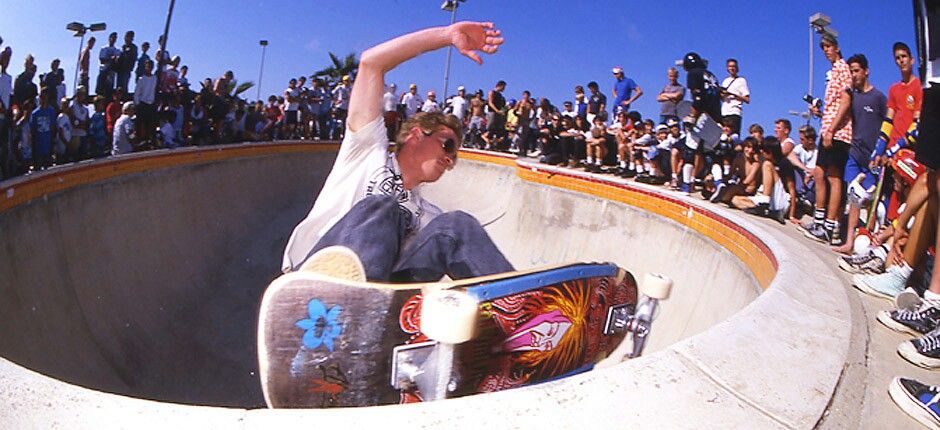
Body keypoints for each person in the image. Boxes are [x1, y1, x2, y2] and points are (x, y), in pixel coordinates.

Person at [281, 21, 510, 283]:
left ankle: (524, 311)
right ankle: (348, 298)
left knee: (456, 227)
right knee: (382, 206)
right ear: (416, 134)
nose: (449, 159)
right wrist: (446, 35)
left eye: (454, 156)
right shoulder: (367, 150)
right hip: (314, 277)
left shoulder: (428, 215)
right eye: (447, 145)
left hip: (379, 300)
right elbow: (371, 63)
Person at [800, 32, 853, 245]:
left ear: (837, 48)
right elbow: (833, 106)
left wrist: (831, 129)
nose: (826, 52)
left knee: (833, 176)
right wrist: (820, 115)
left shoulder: (843, 68)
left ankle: (830, 227)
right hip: (828, 129)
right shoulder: (832, 72)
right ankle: (819, 221)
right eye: (823, 49)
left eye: (829, 47)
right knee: (820, 173)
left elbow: (846, 101)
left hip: (839, 133)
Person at [720, 58, 750, 136]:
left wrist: (732, 94)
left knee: (733, 137)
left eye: (733, 66)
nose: (732, 68)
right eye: (730, 66)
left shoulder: (741, 80)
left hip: (734, 112)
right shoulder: (725, 81)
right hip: (724, 112)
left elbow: (747, 99)